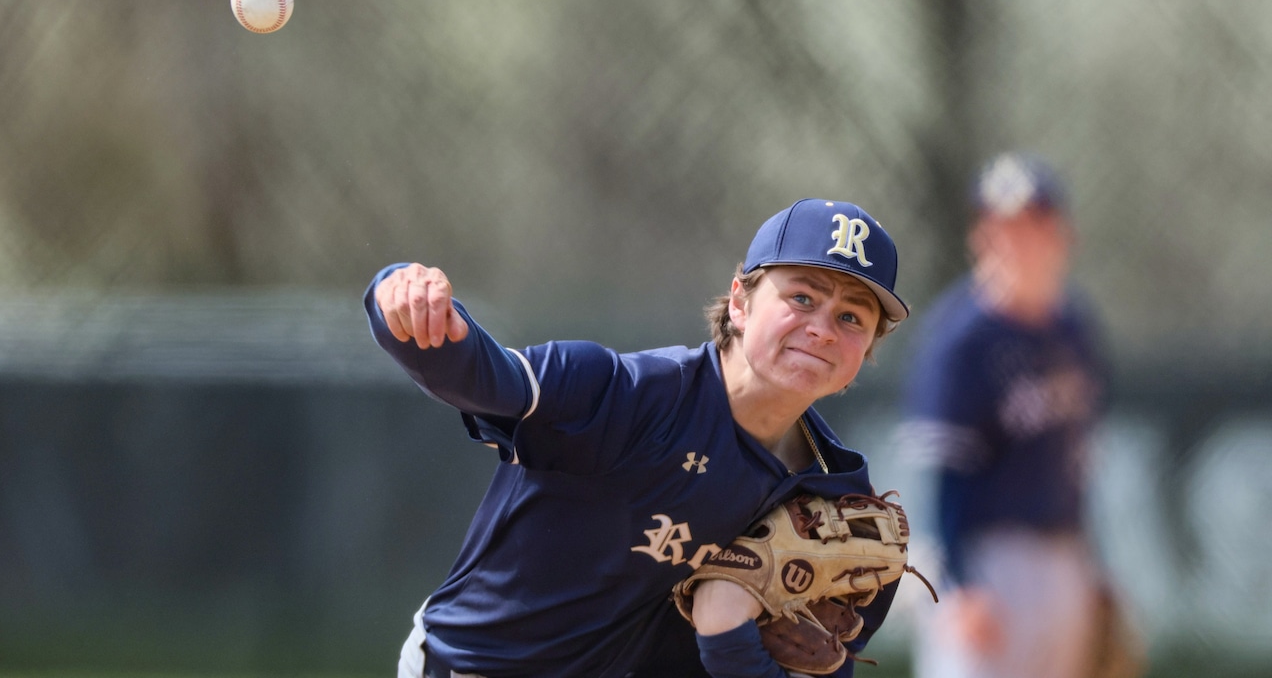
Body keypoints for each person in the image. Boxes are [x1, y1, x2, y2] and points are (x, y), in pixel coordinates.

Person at [364, 198, 915, 678]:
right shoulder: (631, 397)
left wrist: (726, 634)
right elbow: (487, 379)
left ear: (864, 354)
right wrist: (402, 300)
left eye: (851, 317)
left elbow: (822, 666)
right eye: (801, 298)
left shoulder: (835, 492)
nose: (821, 327)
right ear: (741, 303)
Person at [898, 153, 1121, 678]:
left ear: (1062, 235)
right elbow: (939, 477)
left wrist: (1095, 567)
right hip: (985, 561)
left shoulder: (1074, 328)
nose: (1015, 243)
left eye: (1031, 227)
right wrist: (958, 586)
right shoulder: (961, 339)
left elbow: (1078, 463)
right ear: (981, 238)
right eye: (1001, 229)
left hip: (1065, 557)